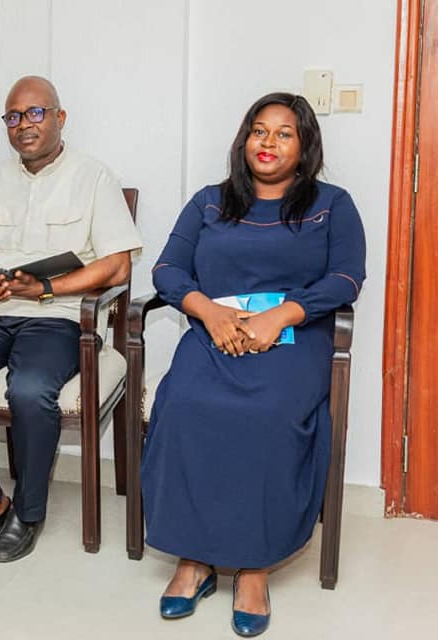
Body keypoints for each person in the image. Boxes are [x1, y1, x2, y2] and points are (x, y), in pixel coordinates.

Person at [140, 93, 366, 637]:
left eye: (284, 133)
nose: (267, 143)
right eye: (258, 131)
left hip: (292, 337)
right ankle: (193, 560)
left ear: (305, 145)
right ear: (244, 140)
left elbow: (346, 277)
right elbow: (168, 270)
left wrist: (281, 315)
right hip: (213, 330)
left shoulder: (332, 204)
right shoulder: (209, 202)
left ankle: (254, 566)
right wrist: (209, 314)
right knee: (184, 405)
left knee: (267, 415)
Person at [0, 76, 143, 563]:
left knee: (31, 389)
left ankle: (29, 511)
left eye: (35, 113)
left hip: (57, 316)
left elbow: (117, 265)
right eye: (14, 117)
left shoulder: (93, 176)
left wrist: (44, 288)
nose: (24, 125)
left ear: (60, 118)